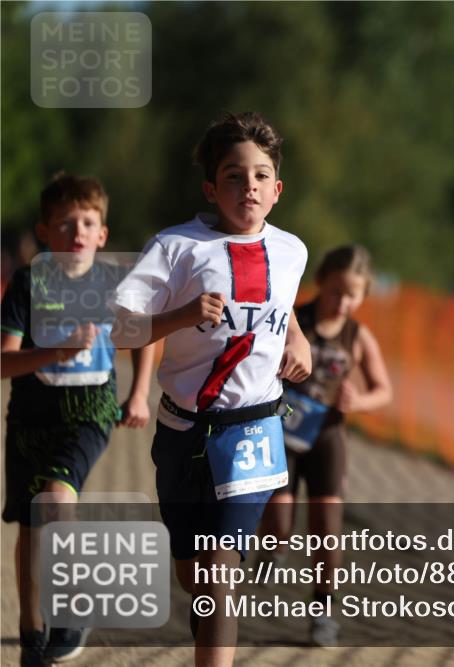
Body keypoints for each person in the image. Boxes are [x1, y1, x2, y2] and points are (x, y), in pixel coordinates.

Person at [110, 112, 311, 667]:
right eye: (233, 175)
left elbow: (283, 305)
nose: (248, 186)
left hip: (252, 425)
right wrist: (179, 316)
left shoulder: (293, 251)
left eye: (260, 176)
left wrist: (299, 340)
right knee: (192, 571)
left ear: (277, 190)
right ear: (210, 187)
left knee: (221, 568)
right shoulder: (176, 248)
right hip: (182, 429)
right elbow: (123, 326)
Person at [1, 172, 156, 666]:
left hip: (89, 413)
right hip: (30, 418)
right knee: (30, 528)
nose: (78, 232)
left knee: (53, 503)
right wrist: (51, 352)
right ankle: (32, 636)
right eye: (65, 224)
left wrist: (138, 396)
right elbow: (3, 361)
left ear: (103, 234)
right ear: (44, 233)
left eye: (88, 222)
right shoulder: (27, 283)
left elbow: (147, 336)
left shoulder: (113, 282)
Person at [258, 243, 393, 646]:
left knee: (326, 529)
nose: (343, 302)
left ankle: (323, 611)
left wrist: (359, 401)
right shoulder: (294, 319)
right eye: (336, 291)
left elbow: (383, 389)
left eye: (353, 295)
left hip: (327, 438)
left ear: (364, 295)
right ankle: (272, 550)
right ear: (320, 284)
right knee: (279, 518)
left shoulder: (358, 336)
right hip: (281, 431)